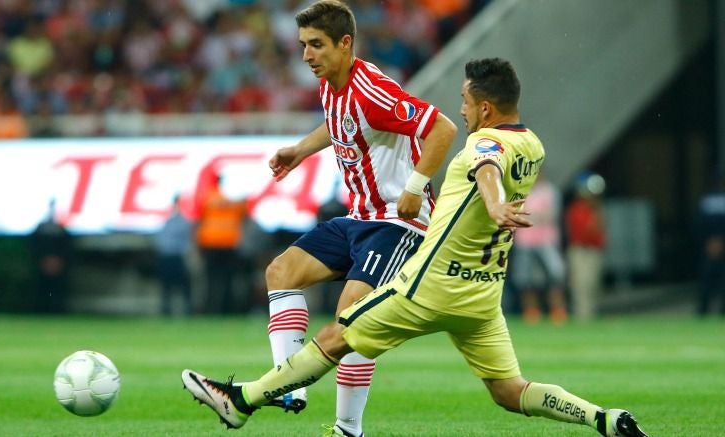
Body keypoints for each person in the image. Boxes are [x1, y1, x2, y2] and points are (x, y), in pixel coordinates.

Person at [181, 58, 649, 437]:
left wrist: (494, 202)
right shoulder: (534, 146)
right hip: (482, 298)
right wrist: (499, 205)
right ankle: (602, 419)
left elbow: (485, 167)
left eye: (465, 101)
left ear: (485, 108)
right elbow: (496, 169)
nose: (461, 110)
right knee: (510, 391)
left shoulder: (482, 144)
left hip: (430, 286)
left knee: (336, 335)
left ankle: (242, 402)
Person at [254, 2, 457, 435]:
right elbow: (339, 124)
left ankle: (348, 428)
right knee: (281, 271)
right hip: (357, 218)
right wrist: (300, 149)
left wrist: (414, 185)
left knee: (352, 324)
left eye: (317, 45)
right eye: (304, 45)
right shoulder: (331, 82)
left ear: (345, 44)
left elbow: (442, 128)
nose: (307, 55)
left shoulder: (372, 89)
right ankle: (290, 385)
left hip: (398, 224)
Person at [509, 172, 568, 325]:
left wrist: (529, 217)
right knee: (524, 279)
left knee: (555, 276)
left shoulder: (550, 191)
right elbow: (514, 215)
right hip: (525, 241)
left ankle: (558, 312)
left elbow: (552, 215)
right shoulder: (519, 191)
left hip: (547, 240)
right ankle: (531, 313)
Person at [196, 174, 248, 314]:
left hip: (211, 243)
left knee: (211, 280)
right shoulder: (236, 198)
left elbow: (199, 218)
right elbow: (244, 213)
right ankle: (226, 309)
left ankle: (210, 310)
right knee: (228, 280)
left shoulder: (208, 197)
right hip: (229, 243)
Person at [565, 172, 607, 321]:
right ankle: (582, 317)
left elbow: (600, 232)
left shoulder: (596, 209)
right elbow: (585, 232)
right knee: (580, 285)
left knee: (593, 285)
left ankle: (591, 314)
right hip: (580, 250)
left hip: (594, 251)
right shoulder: (576, 209)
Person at [28, 199, 74, 314]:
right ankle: (39, 312)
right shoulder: (40, 227)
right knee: (41, 291)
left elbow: (68, 246)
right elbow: (32, 245)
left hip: (59, 267)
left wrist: (58, 260)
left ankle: (58, 311)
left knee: (58, 291)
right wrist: (43, 260)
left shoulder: (62, 229)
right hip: (42, 265)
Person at [154, 194, 194, 316]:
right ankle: (167, 310)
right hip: (169, 257)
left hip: (176, 257)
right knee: (167, 286)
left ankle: (187, 310)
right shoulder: (169, 221)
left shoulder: (180, 222)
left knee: (181, 286)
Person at [696, 178, 725, 316]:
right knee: (708, 280)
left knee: (707, 279)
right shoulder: (707, 201)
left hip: (710, 244)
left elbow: (699, 225)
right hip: (710, 246)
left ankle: (703, 309)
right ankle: (704, 309)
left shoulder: (707, 202)